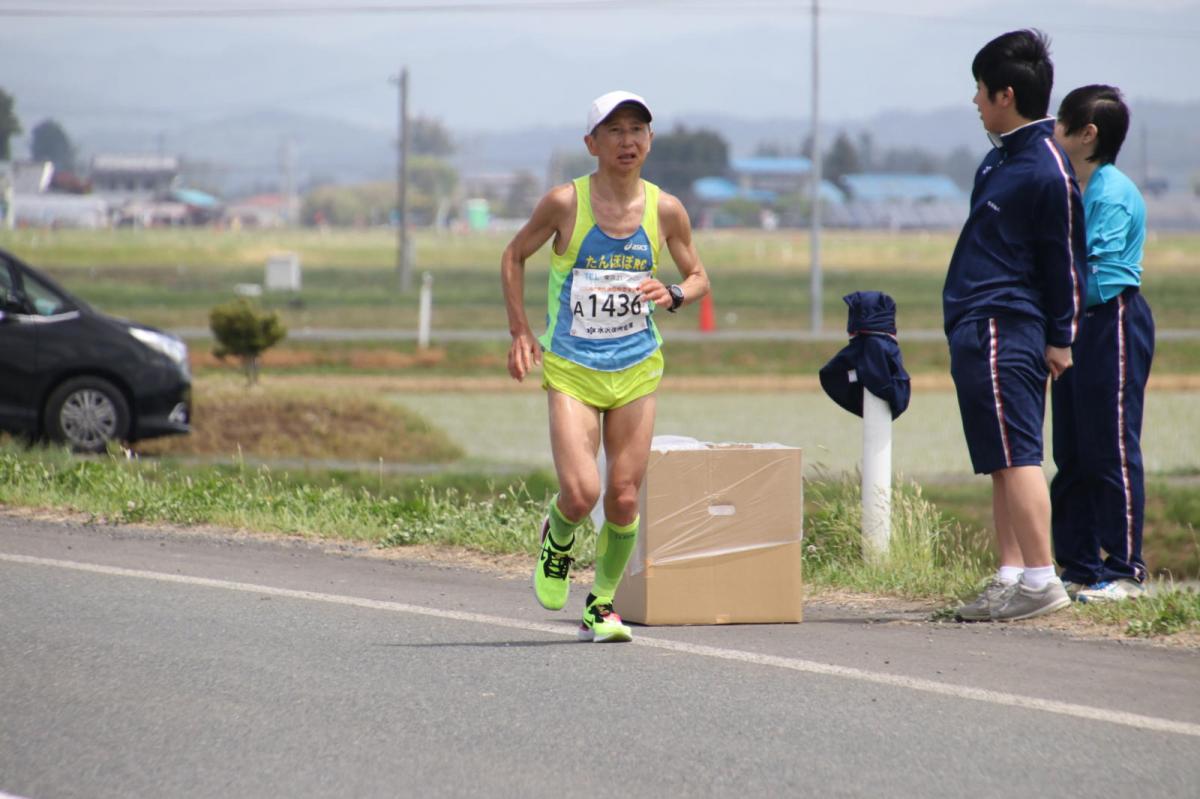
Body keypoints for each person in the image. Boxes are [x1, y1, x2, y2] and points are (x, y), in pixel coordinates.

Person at [500, 90, 710, 642]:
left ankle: (601, 605)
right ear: (591, 143)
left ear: (651, 140)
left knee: (622, 495)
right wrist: (521, 330)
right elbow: (514, 254)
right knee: (582, 492)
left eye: (638, 129)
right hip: (572, 365)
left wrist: (674, 294)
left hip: (637, 365)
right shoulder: (566, 203)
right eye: (614, 131)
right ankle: (559, 535)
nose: (627, 140)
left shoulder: (666, 209)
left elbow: (698, 276)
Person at [943, 30, 1086, 622]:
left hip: (1008, 324)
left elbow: (1067, 261)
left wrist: (1062, 337)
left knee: (1020, 451)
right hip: (980, 324)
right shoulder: (1000, 157)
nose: (974, 100)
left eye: (979, 89)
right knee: (1000, 454)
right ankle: (1010, 574)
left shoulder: (1045, 169)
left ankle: (1040, 578)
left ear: (1005, 93)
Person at [1050, 85, 1154, 603]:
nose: (1054, 131)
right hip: (1074, 325)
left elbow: (1103, 276)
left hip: (1109, 320)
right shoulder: (1076, 185)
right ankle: (1079, 566)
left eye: (1062, 123)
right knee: (1072, 449)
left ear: (1087, 134)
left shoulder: (1111, 191)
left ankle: (1125, 569)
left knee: (1110, 445)